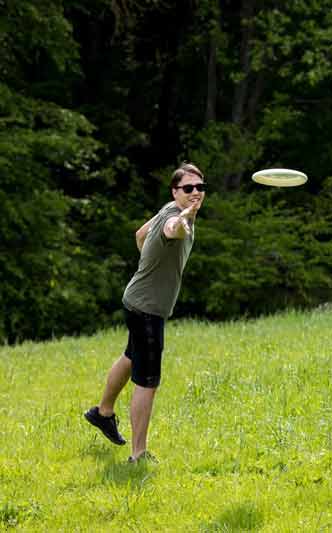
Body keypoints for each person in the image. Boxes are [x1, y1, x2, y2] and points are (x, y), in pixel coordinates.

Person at [84, 162, 206, 462]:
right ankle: (138, 454)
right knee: (147, 381)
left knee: (131, 357)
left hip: (136, 300)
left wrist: (151, 265)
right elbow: (173, 230)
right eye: (188, 188)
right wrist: (184, 219)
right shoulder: (177, 218)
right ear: (175, 191)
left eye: (200, 188)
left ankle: (102, 412)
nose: (195, 193)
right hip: (148, 310)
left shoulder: (167, 207)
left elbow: (140, 234)